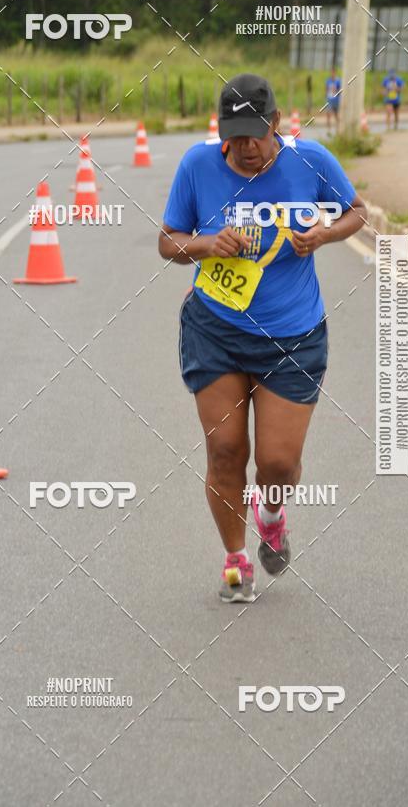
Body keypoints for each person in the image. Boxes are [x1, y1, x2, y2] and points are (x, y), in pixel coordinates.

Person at [158, 73, 367, 603]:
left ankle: (271, 513)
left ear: (276, 123)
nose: (245, 147)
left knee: (276, 462)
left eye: (255, 133)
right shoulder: (198, 165)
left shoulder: (312, 161)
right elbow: (168, 242)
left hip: (293, 335)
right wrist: (207, 245)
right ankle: (235, 560)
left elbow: (357, 212)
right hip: (215, 329)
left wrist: (323, 234)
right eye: (235, 134)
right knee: (225, 450)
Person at [325, 67, 341, 134]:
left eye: (333, 72)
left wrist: (336, 91)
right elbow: (326, 89)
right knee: (328, 114)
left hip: (336, 99)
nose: (332, 74)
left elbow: (340, 90)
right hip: (329, 99)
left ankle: (338, 129)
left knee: (336, 114)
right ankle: (329, 130)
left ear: (335, 73)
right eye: (331, 72)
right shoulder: (328, 81)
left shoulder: (338, 81)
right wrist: (326, 96)